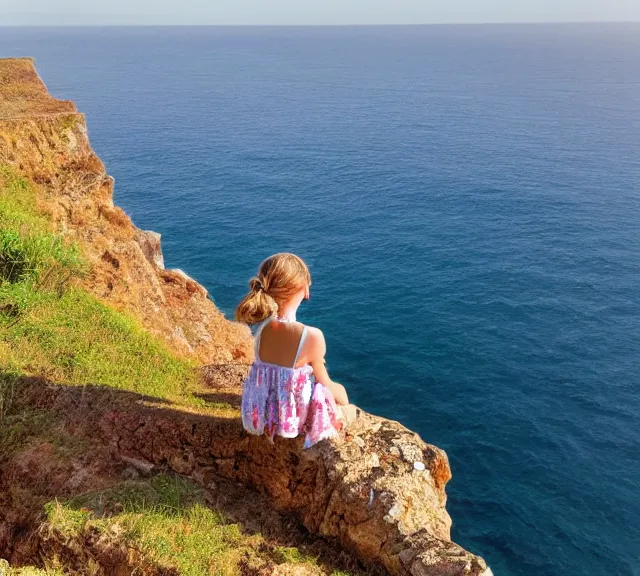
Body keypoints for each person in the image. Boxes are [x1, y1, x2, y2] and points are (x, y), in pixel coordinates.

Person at [235, 252, 356, 448]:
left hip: (260, 413)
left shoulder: (260, 327)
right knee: (339, 395)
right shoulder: (311, 336)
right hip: (290, 419)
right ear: (303, 289)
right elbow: (328, 386)